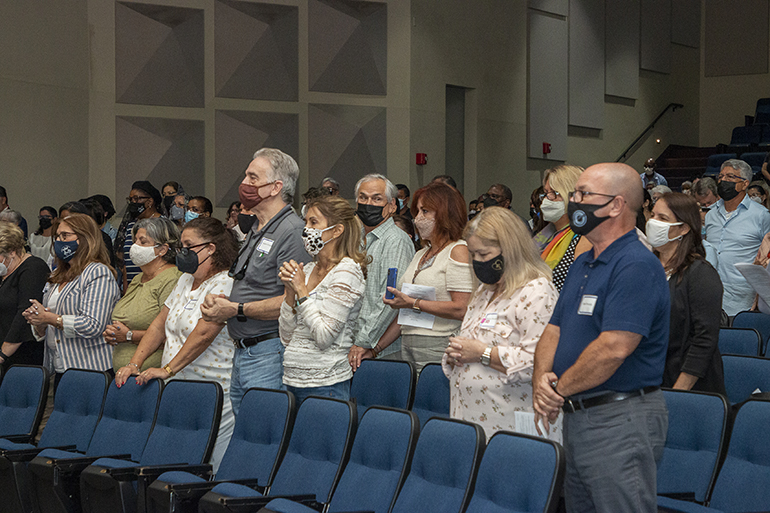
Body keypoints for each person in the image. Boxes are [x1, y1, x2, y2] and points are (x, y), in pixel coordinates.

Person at [532, 162, 669, 513]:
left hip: (620, 418)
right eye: (574, 194)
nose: (574, 202)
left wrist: (557, 391)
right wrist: (540, 382)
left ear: (616, 205)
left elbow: (614, 348)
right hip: (577, 415)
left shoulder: (636, 264)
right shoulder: (584, 260)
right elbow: (554, 327)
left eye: (583, 194)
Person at [114, 217, 238, 471]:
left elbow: (204, 333)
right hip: (178, 387)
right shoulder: (184, 279)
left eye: (188, 246)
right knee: (178, 460)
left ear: (210, 248)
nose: (181, 252)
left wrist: (168, 368)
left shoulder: (226, 282)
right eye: (180, 245)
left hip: (213, 389)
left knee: (208, 463)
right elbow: (159, 324)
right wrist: (134, 363)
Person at [200, 148, 309, 416]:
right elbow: (253, 284)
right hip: (244, 352)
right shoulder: (259, 227)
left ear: (275, 187)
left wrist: (235, 310)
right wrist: (226, 303)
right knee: (248, 433)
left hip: (269, 351)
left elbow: (292, 301)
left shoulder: (291, 231)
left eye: (253, 177)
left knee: (264, 433)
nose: (245, 184)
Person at [442, 207, 559, 439]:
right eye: (473, 255)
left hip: (513, 424)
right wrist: (455, 354)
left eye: (484, 255)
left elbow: (539, 362)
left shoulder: (537, 291)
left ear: (510, 250)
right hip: (470, 420)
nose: (477, 262)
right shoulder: (484, 292)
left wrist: (483, 354)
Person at [366, 182, 473, 372]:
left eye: (425, 212)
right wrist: (375, 350)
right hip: (408, 345)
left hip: (440, 346)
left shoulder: (457, 250)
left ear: (445, 214)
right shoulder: (420, 254)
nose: (417, 219)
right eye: (417, 212)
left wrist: (413, 303)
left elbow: (461, 308)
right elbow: (404, 313)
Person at [279, 196, 367, 402]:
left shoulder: (347, 271)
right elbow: (286, 337)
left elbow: (324, 336)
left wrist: (301, 289)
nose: (306, 229)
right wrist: (290, 294)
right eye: (306, 222)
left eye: (313, 222)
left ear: (336, 230)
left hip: (326, 383)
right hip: (293, 380)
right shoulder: (308, 270)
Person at [23, 213, 120, 390]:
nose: (59, 241)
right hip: (60, 367)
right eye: (57, 236)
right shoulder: (56, 275)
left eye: (65, 236)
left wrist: (49, 318)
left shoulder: (97, 273)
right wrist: (38, 320)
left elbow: (93, 324)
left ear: (84, 238)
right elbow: (47, 322)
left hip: (90, 369)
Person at [647, 193, 725, 394]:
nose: (653, 222)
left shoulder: (700, 273)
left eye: (663, 218)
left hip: (687, 386)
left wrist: (678, 393)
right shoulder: (646, 268)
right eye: (653, 215)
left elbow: (704, 340)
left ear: (683, 228)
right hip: (649, 378)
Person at [346, 175, 415, 368]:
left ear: (392, 205)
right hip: (353, 345)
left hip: (379, 349)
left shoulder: (396, 241)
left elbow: (389, 299)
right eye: (363, 198)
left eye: (377, 199)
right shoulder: (355, 239)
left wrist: (363, 342)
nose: (369, 204)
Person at [105, 217, 182, 372]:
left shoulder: (172, 278)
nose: (135, 246)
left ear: (162, 249)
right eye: (135, 241)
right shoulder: (138, 278)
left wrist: (129, 336)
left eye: (143, 241)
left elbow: (173, 334)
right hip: (126, 375)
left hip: (152, 375)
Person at [705, 159, 770, 317]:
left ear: (745, 183)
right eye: (721, 176)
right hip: (710, 296)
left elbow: (766, 259)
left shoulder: (761, 215)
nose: (723, 180)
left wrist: (759, 296)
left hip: (742, 300)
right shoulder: (711, 214)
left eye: (730, 177)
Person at [0, 222, 49, 368]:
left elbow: (24, 315)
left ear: (12, 251)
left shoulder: (33, 268)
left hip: (21, 356)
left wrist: (2, 355)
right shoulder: (4, 273)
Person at [537, 165, 592, 291]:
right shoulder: (546, 234)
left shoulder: (584, 237)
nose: (547, 200)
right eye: (546, 193)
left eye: (555, 194)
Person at [114, 181, 164, 292]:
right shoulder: (131, 225)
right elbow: (127, 261)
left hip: (154, 286)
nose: (133, 202)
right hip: (133, 285)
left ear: (150, 201)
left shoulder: (162, 224)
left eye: (137, 199)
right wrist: (127, 291)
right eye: (131, 199)